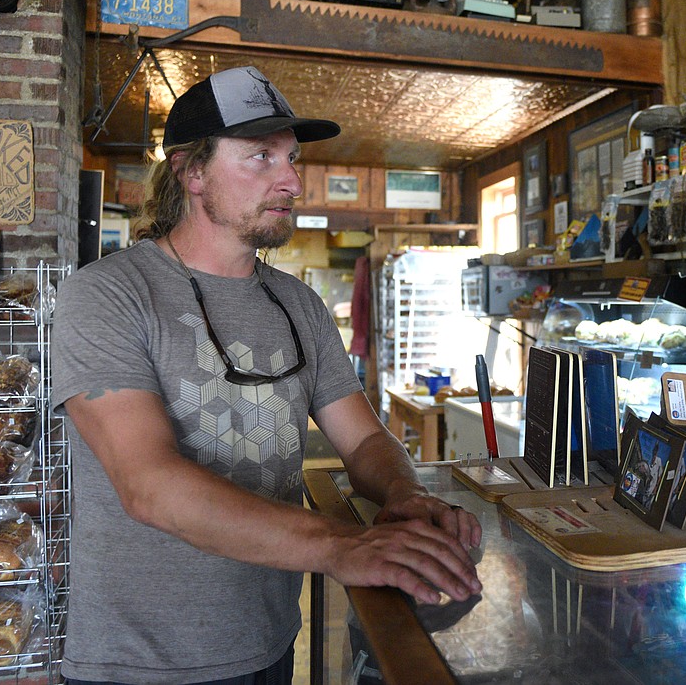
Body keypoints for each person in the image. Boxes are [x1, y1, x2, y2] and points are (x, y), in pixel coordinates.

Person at [51, 66, 482, 685]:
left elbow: (362, 439)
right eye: (261, 156)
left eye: (292, 157)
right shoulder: (108, 294)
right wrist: (341, 545)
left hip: (270, 639)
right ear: (191, 171)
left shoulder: (298, 304)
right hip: (142, 661)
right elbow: (148, 483)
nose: (291, 180)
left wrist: (402, 493)